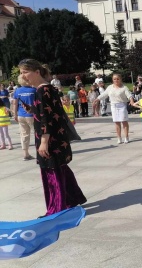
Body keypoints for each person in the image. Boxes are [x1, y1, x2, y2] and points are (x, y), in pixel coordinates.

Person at [18, 58, 86, 216]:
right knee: (61, 169)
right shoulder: (47, 88)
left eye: (25, 72)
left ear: (37, 72)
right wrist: (32, 110)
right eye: (21, 73)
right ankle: (72, 198)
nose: (23, 76)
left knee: (52, 173)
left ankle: (56, 208)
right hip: (57, 138)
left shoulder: (42, 90)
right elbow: (48, 112)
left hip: (51, 139)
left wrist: (43, 142)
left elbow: (46, 119)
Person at [94, 73, 135, 144]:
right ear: (112, 80)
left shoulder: (124, 87)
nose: (116, 80)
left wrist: (131, 100)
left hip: (122, 105)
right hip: (113, 106)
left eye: (118, 79)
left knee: (124, 121)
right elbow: (104, 94)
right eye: (114, 79)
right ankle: (119, 138)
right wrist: (97, 99)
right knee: (116, 122)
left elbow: (129, 95)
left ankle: (126, 137)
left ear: (120, 79)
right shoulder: (110, 87)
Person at [12, 76, 36, 160]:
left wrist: (15, 114)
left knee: (24, 135)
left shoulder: (17, 91)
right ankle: (40, 151)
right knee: (37, 133)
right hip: (32, 115)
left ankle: (25, 153)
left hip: (21, 115)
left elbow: (15, 104)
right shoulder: (34, 90)